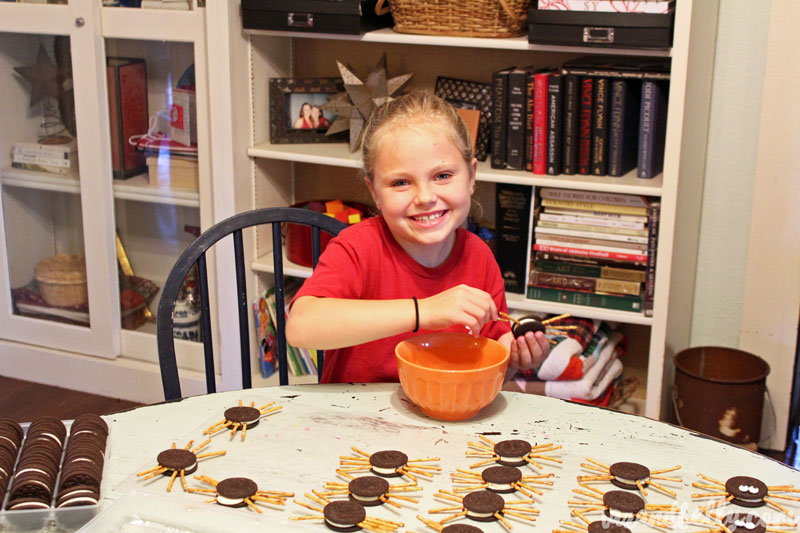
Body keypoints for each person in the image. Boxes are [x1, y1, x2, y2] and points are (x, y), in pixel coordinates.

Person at [286, 91, 549, 383]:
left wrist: (514, 356)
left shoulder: (479, 256)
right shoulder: (356, 248)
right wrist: (424, 310)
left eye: (442, 176)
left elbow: (494, 358)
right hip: (358, 419)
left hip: (445, 413)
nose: (425, 197)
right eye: (401, 182)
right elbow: (300, 327)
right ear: (375, 192)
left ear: (471, 176)